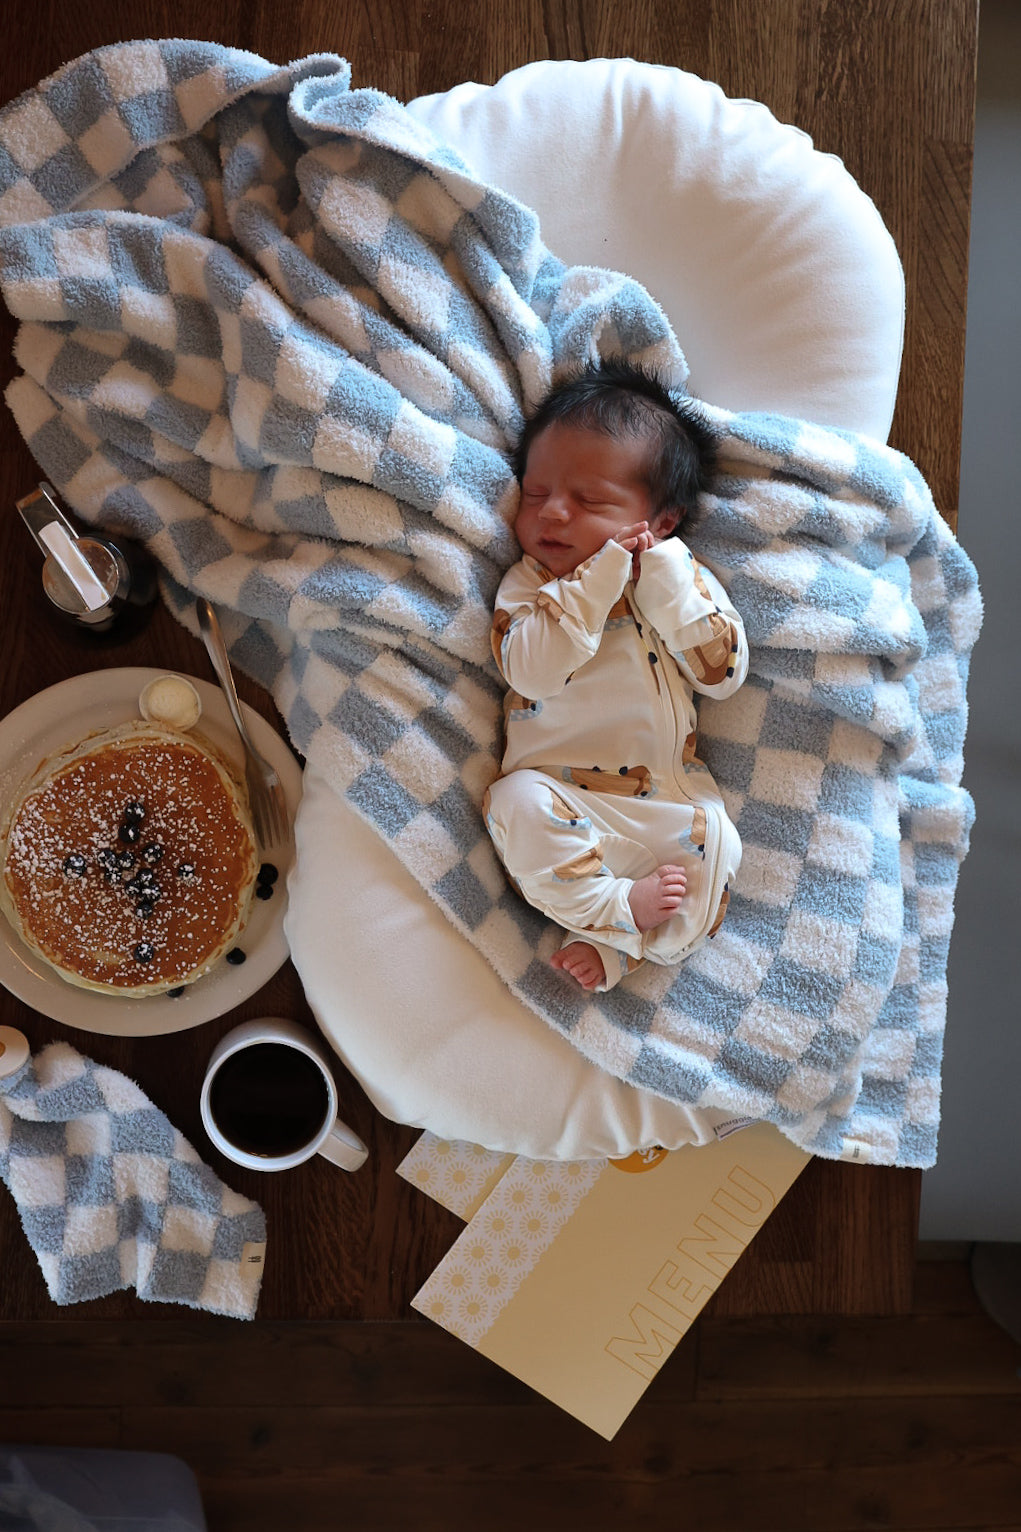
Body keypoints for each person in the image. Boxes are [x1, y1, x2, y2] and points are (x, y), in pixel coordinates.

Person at [485, 358, 748, 991]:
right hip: (562, 797)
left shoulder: (679, 578)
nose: (551, 515)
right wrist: (593, 585)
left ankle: (626, 946)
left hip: (664, 802)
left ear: (660, 522)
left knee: (720, 847)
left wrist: (662, 580)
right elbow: (532, 669)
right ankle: (612, 917)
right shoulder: (531, 584)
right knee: (511, 805)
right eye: (537, 493)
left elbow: (723, 674)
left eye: (590, 501)